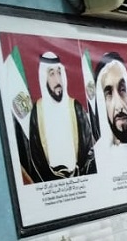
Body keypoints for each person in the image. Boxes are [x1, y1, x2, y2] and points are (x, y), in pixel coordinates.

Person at [27, 51, 97, 182]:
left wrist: (78, 177)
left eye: (59, 73)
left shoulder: (76, 108)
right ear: (43, 78)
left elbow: (88, 150)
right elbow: (36, 157)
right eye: (52, 74)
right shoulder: (37, 112)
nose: (58, 80)